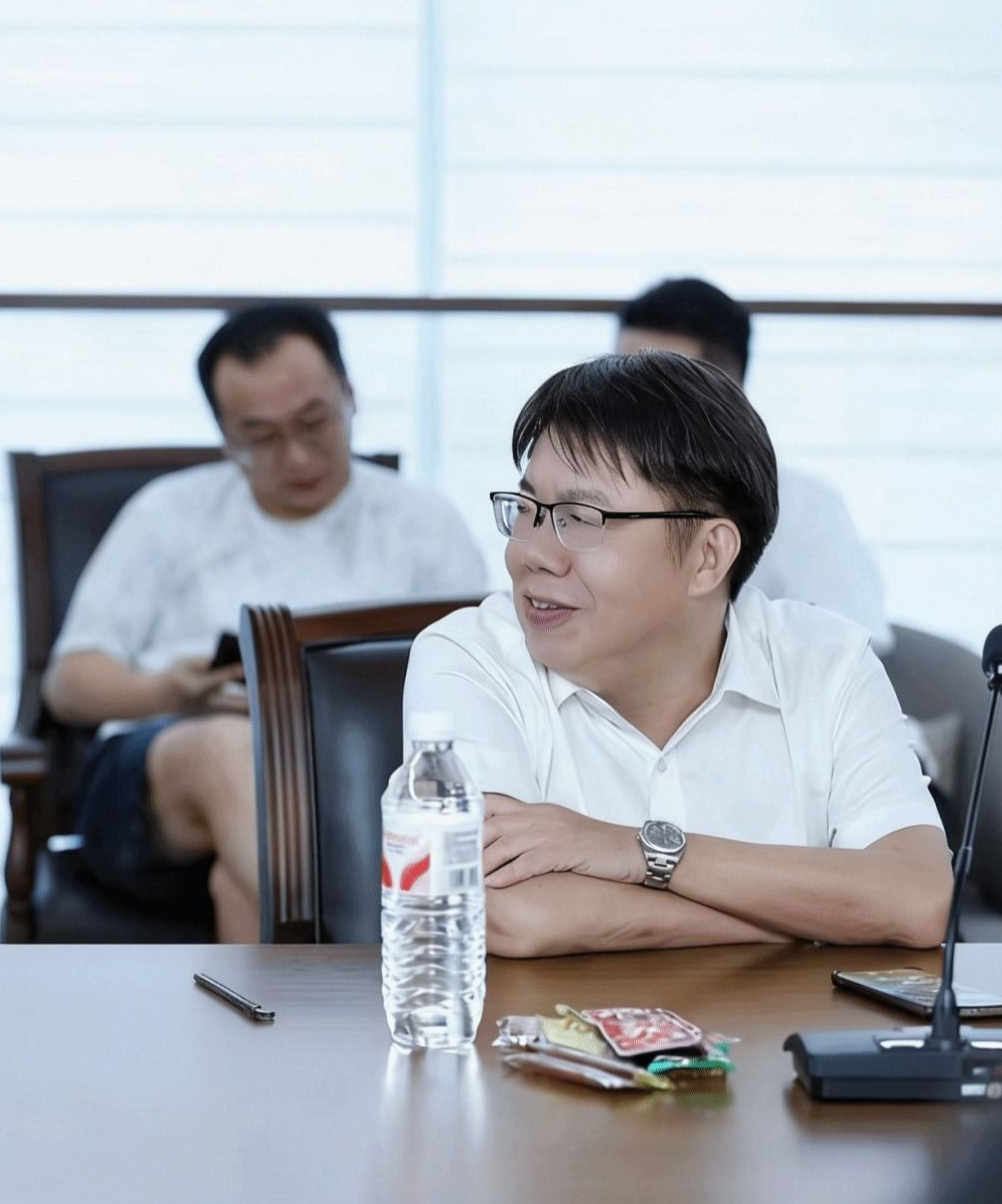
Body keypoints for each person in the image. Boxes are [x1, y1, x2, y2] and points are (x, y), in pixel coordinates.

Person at [403, 351, 949, 957]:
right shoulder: (467, 658)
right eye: (527, 509)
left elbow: (918, 898)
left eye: (580, 519)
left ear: (708, 556)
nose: (532, 553)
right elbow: (511, 912)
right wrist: (813, 918)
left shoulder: (827, 665)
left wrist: (639, 850)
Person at [43, 303, 486, 942]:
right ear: (226, 436)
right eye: (262, 437)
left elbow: (475, 681)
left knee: (241, 883)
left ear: (350, 397)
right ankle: (370, 954)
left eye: (314, 423)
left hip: (357, 776)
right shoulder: (167, 513)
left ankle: (298, 1000)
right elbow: (69, 682)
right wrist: (171, 690)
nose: (298, 456)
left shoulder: (423, 523)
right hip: (167, 778)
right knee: (232, 749)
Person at [617, 277, 892, 651]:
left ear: (725, 395)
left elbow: (853, 647)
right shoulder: (584, 495)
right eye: (620, 377)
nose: (623, 403)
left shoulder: (804, 507)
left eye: (654, 387)